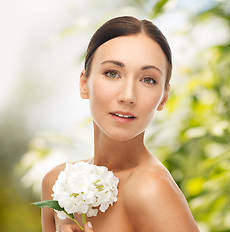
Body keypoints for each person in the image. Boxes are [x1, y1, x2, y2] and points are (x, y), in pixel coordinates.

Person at [41, 16, 200, 232]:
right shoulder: (56, 183)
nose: (128, 96)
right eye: (112, 73)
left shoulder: (151, 189)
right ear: (84, 83)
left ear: (163, 97)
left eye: (148, 80)